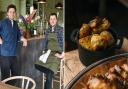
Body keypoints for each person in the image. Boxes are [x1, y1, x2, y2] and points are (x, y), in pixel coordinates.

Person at [35, 13, 64, 89]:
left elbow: (64, 42)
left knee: (50, 73)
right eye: (51, 19)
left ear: (56, 20)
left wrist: (62, 55)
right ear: (49, 20)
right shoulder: (47, 30)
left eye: (54, 19)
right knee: (37, 64)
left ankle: (49, 74)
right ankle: (49, 73)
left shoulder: (61, 29)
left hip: (57, 53)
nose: (52, 20)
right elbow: (46, 42)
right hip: (49, 52)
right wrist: (44, 52)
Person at [0, 4, 27, 84]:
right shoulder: (2, 22)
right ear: (7, 13)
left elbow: (18, 35)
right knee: (5, 77)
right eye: (10, 12)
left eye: (13, 12)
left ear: (15, 13)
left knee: (16, 74)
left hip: (14, 54)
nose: (12, 13)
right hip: (4, 54)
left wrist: (24, 39)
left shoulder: (15, 23)